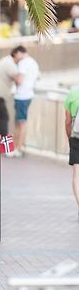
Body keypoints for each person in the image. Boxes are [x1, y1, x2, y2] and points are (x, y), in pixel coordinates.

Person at [13, 48, 39, 156]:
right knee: (22, 122)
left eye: (15, 55)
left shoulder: (23, 63)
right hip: (29, 95)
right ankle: (20, 146)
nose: (15, 59)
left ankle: (18, 148)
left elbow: (19, 80)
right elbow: (38, 78)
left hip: (21, 96)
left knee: (20, 123)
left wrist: (13, 77)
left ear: (19, 52)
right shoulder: (33, 62)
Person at [64, 87, 79, 218]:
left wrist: (70, 138)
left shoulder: (73, 93)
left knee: (77, 174)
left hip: (76, 136)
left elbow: (68, 122)